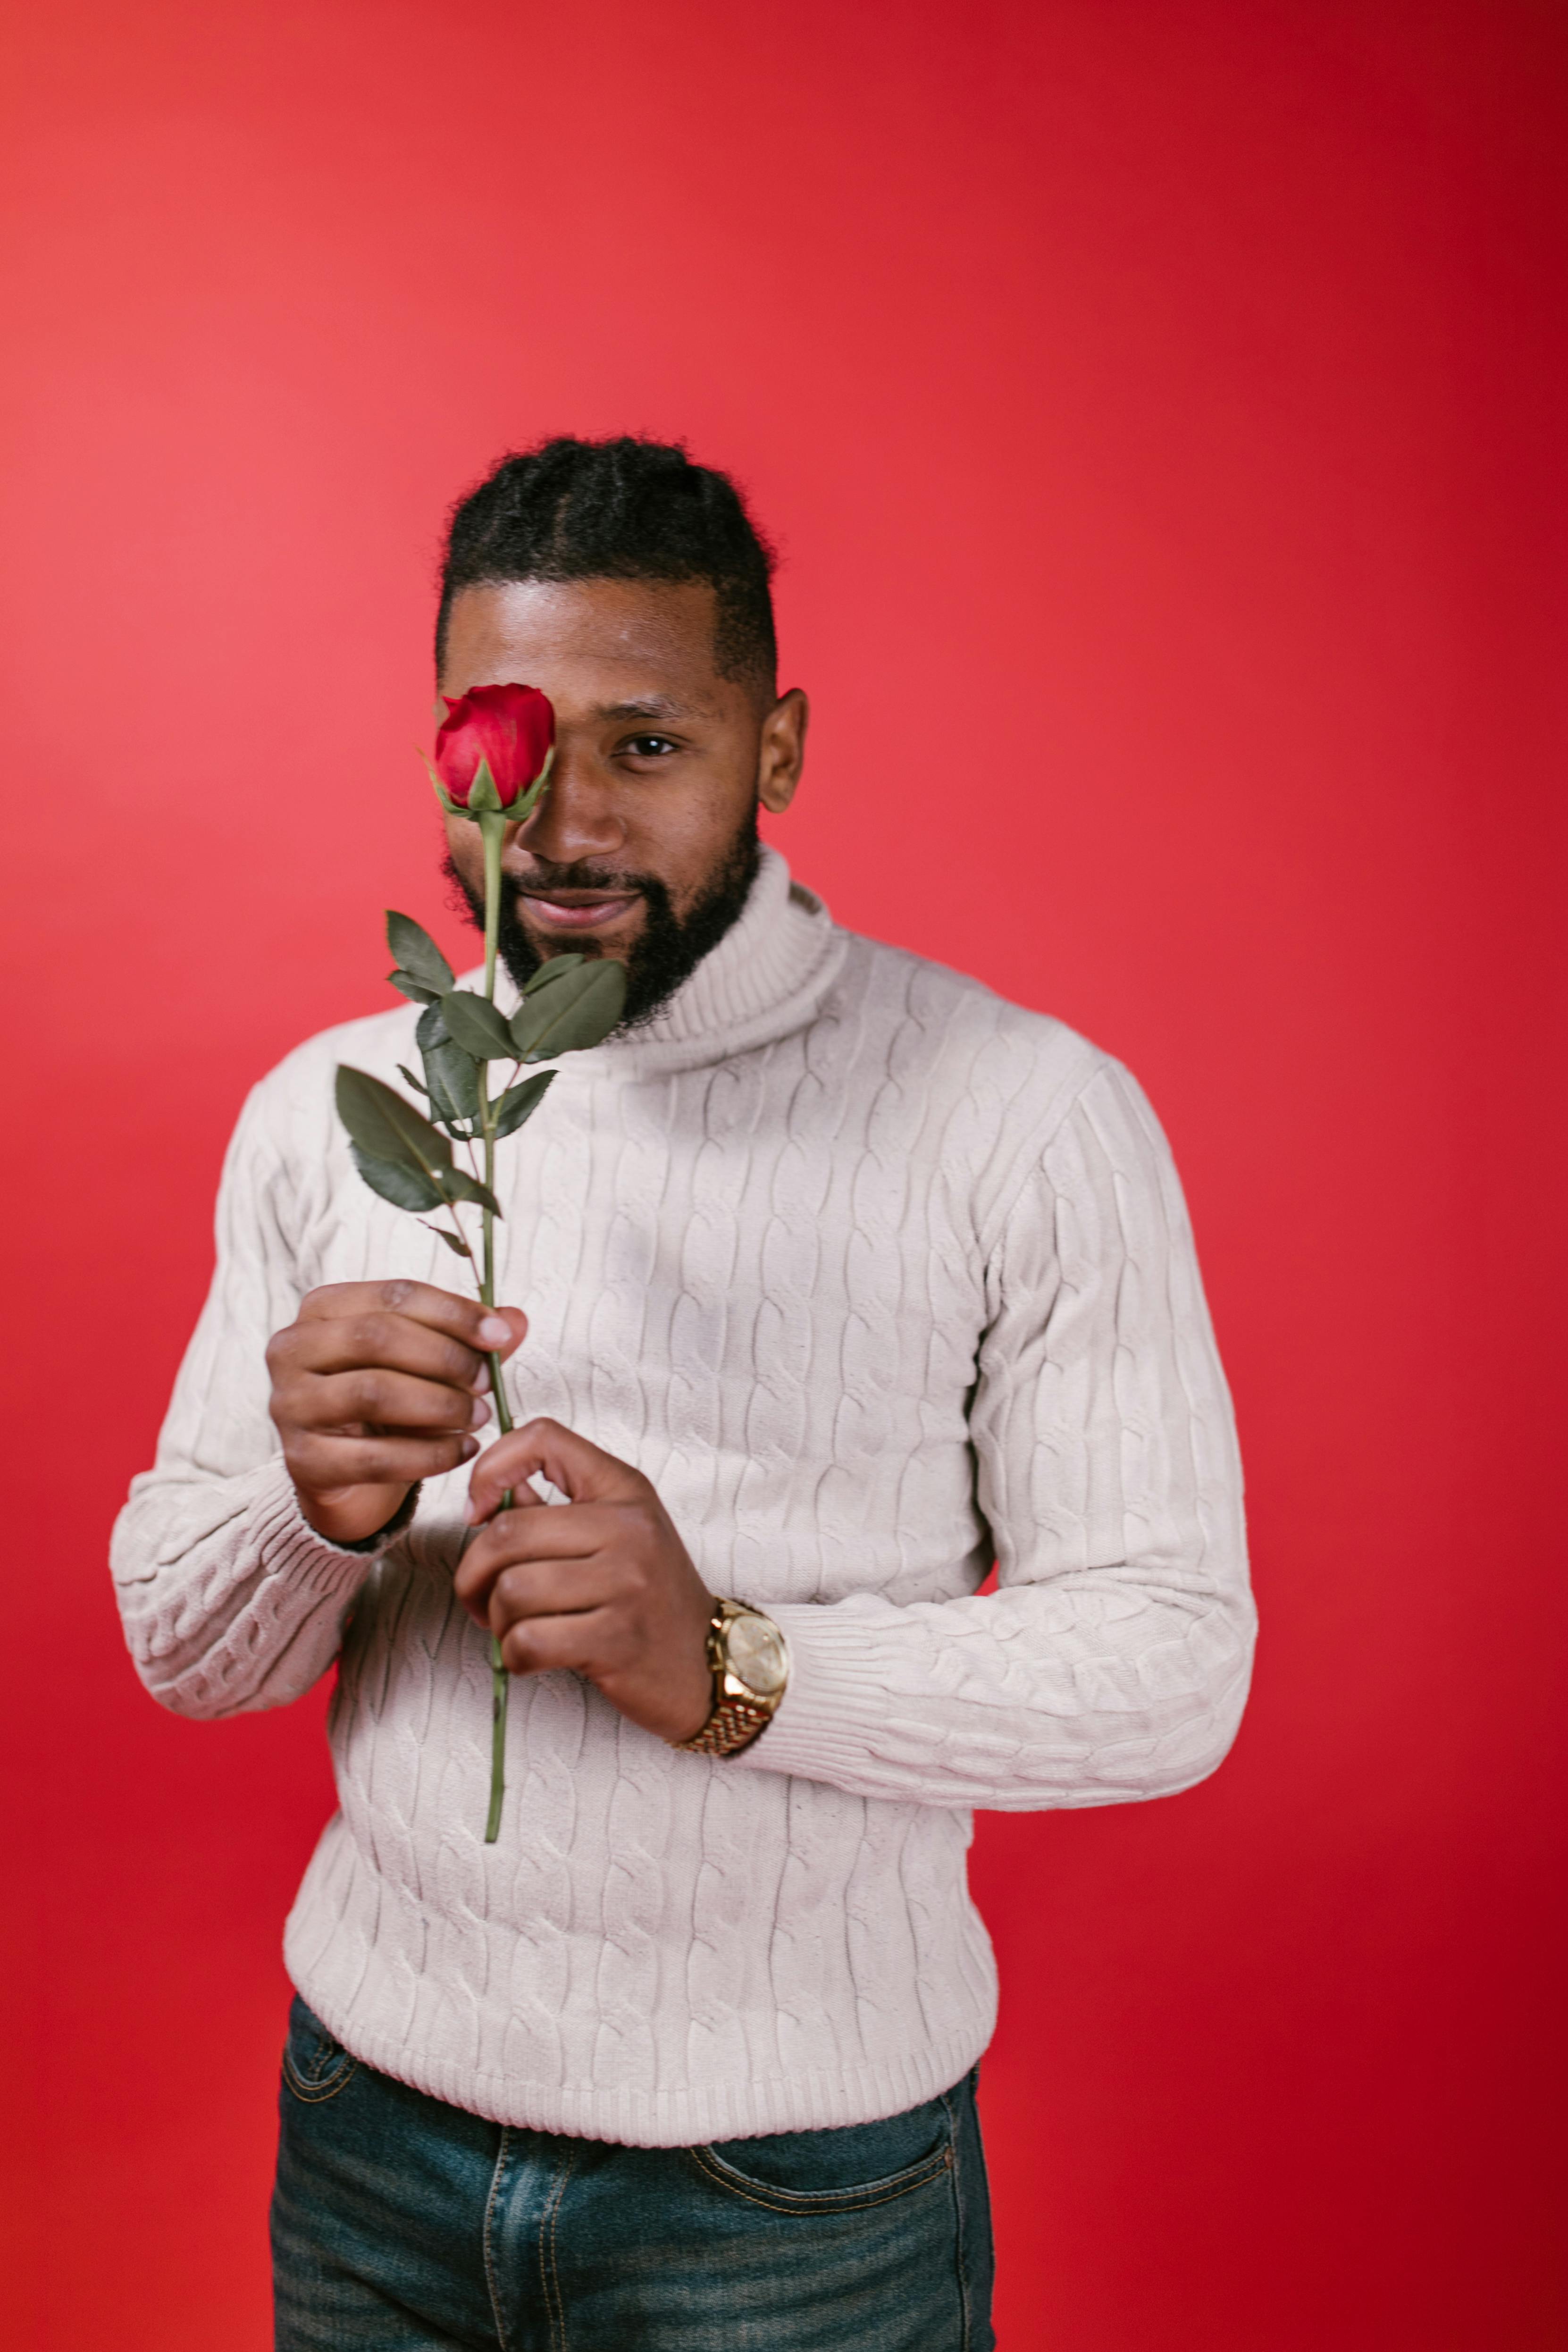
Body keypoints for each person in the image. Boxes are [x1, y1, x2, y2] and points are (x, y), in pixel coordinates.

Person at [112, 435, 1255, 2351]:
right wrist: (307, 1511)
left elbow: (1172, 1660)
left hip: (793, 2197)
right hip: (368, 2132)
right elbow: (182, 1644)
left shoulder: (1026, 1118)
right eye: (511, 743)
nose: (561, 822)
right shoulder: (332, 1112)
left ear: (777, 748)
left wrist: (731, 1664)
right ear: (442, 752)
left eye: (647, 744)